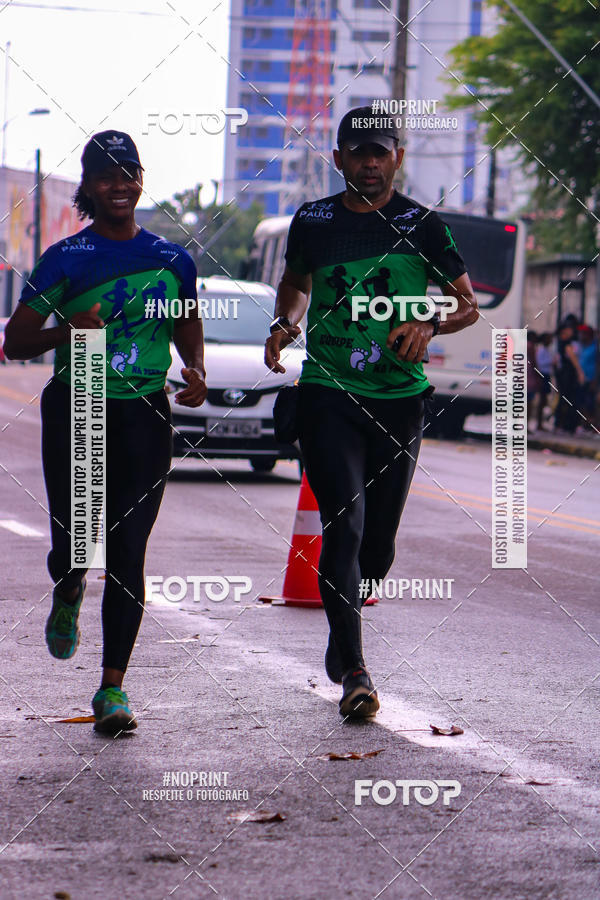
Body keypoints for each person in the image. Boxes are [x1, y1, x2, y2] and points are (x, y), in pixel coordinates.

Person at [264, 107, 478, 719]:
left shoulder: (423, 225)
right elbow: (296, 282)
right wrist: (286, 322)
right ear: (339, 159)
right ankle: (356, 672)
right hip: (330, 394)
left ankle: (345, 621)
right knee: (345, 525)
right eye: (357, 152)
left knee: (377, 548)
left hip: (400, 402)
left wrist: (430, 321)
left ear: (397, 158)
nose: (369, 162)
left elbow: (468, 304)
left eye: (380, 152)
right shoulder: (315, 220)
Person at [4, 131, 207, 735]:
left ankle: (112, 689)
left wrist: (194, 368)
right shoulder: (66, 259)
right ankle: (68, 585)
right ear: (89, 187)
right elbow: (15, 342)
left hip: (145, 413)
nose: (121, 184)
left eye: (131, 172)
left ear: (142, 180)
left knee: (126, 551)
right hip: (78, 407)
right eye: (107, 175)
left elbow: (186, 323)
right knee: (79, 546)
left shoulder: (175, 261)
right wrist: (65, 329)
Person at [553, 320, 585, 433]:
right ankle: (565, 424)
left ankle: (561, 424)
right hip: (568, 373)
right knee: (568, 398)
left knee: (565, 398)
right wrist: (580, 371)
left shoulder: (563, 343)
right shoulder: (566, 344)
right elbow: (572, 358)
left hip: (565, 373)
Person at [576, 324, 598, 428]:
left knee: (591, 403)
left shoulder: (596, 347)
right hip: (581, 379)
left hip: (592, 379)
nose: (581, 335)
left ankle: (593, 426)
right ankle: (584, 425)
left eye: (584, 333)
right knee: (582, 402)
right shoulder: (581, 346)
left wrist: (596, 380)